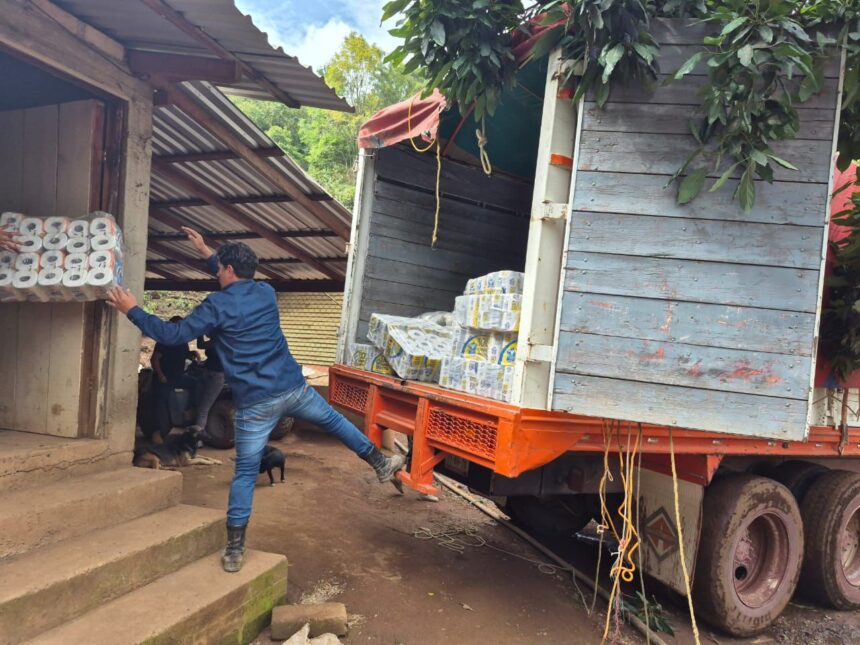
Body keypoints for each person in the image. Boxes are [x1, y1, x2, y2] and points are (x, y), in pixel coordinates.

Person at [106, 227, 405, 573]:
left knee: (246, 475)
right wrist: (206, 251)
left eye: (219, 269)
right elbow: (232, 272)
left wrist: (132, 310)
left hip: (255, 405)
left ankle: (234, 550)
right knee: (337, 423)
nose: (216, 273)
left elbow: (172, 334)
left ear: (229, 270)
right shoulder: (266, 292)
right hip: (294, 389)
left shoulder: (217, 306)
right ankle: (381, 465)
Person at [150, 316, 197, 442]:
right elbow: (154, 359)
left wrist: (193, 354)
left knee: (197, 384)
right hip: (164, 378)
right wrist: (160, 375)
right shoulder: (164, 340)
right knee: (162, 405)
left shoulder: (182, 341)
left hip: (178, 376)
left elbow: (185, 354)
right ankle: (160, 434)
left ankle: (188, 410)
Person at [194, 333, 225, 436]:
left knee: (202, 407)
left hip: (210, 373)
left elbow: (200, 345)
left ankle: (198, 437)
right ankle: (201, 433)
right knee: (203, 407)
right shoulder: (226, 341)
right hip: (216, 375)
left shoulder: (216, 341)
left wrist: (199, 332)